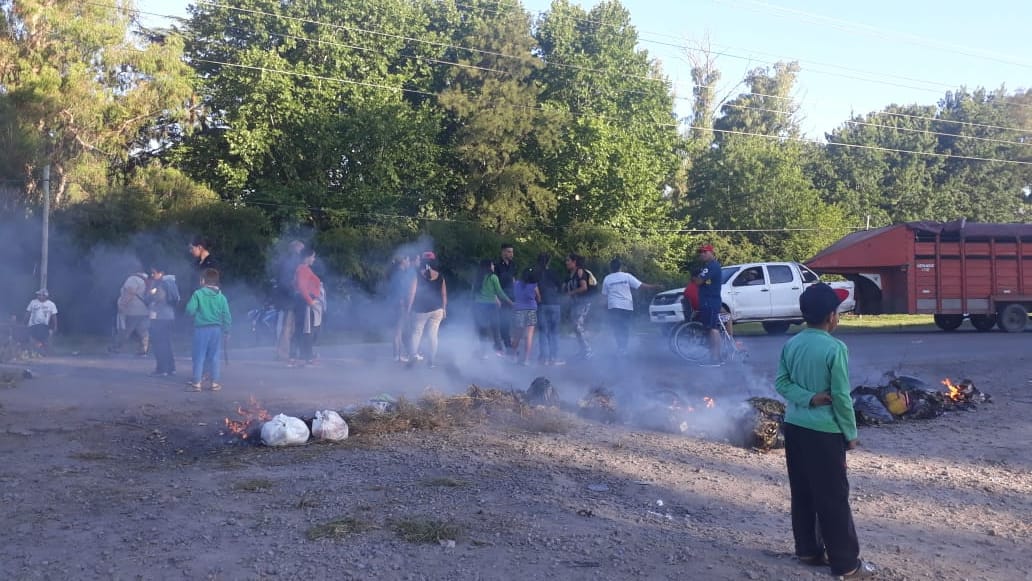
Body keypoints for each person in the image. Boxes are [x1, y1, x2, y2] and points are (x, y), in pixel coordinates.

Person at [775, 283, 876, 579]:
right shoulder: (835, 348)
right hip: (825, 432)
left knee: (803, 491)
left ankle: (807, 549)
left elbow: (781, 383)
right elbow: (842, 396)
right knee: (832, 496)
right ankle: (847, 565)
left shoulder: (791, 344)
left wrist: (806, 398)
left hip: (795, 428)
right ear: (831, 316)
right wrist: (851, 433)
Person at [185, 268, 232, 392]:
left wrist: (195, 313)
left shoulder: (198, 294)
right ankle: (214, 383)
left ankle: (197, 383)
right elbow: (226, 315)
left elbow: (190, 310)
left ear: (203, 281)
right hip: (216, 330)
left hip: (201, 329)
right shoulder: (221, 297)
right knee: (214, 356)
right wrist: (227, 330)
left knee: (199, 356)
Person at [601, 258, 659, 355]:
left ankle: (620, 347)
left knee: (617, 327)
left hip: (613, 306)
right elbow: (641, 285)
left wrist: (601, 307)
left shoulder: (607, 278)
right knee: (624, 326)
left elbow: (604, 295)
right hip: (626, 306)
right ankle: (623, 348)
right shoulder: (626, 276)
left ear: (610, 268)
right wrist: (654, 286)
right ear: (620, 267)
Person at [407, 251, 447, 368]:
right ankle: (431, 362)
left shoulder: (418, 275)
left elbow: (412, 293)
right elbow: (444, 294)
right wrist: (444, 309)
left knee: (416, 333)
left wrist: (409, 309)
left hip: (420, 310)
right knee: (433, 336)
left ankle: (413, 358)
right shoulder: (440, 276)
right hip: (437, 310)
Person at [473, 259, 511, 359]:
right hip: (491, 306)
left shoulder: (478, 278)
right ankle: (498, 350)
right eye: (492, 265)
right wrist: (510, 302)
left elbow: (473, 293)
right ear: (488, 267)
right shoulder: (493, 277)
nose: (493, 266)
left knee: (482, 329)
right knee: (495, 328)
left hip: (479, 306)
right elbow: (500, 292)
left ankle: (484, 352)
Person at [292, 247, 323, 367]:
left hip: (306, 302)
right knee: (306, 330)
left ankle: (306, 356)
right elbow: (301, 287)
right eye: (313, 256)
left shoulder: (304, 269)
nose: (314, 259)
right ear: (307, 257)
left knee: (308, 330)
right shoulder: (303, 269)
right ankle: (303, 357)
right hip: (305, 303)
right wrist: (310, 302)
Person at [147, 265, 180, 377]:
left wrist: (151, 295)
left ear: (161, 273)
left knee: (159, 343)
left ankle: (162, 369)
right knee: (166, 343)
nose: (152, 275)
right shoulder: (171, 282)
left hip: (160, 317)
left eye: (153, 272)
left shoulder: (161, 284)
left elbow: (158, 298)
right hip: (169, 316)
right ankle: (171, 368)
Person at [274, 239, 304, 362]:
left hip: (287, 298)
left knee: (289, 326)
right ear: (296, 248)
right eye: (301, 249)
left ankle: (287, 351)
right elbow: (286, 281)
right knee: (288, 326)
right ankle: (283, 353)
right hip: (290, 299)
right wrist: (295, 291)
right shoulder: (292, 261)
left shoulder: (286, 260)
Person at [111, 270, 151, 355]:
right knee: (143, 331)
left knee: (125, 330)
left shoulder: (133, 279)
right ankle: (143, 349)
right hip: (145, 310)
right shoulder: (146, 280)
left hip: (132, 310)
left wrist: (122, 305)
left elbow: (129, 292)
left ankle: (116, 347)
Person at [696, 244, 723, 366]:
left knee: (713, 329)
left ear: (711, 253)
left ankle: (715, 358)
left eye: (705, 252)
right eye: (701, 252)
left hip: (711, 301)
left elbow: (698, 281)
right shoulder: (709, 266)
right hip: (708, 301)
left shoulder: (712, 266)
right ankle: (714, 356)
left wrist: (695, 277)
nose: (702, 254)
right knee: (710, 328)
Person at [563, 253, 594, 360]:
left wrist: (570, 293)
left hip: (583, 303)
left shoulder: (579, 271)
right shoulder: (570, 274)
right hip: (575, 304)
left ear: (574, 262)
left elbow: (584, 287)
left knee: (577, 326)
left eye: (568, 260)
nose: (566, 262)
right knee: (575, 327)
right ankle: (583, 350)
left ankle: (588, 350)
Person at [535, 253, 564, 366]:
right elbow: (561, 286)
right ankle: (554, 358)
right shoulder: (553, 272)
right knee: (554, 332)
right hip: (554, 304)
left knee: (543, 331)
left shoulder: (535, 273)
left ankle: (543, 358)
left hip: (542, 304)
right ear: (548, 262)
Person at [388, 254, 416, 362]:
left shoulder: (396, 273)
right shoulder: (400, 274)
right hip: (400, 305)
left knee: (397, 331)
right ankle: (397, 356)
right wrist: (404, 304)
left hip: (396, 305)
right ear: (403, 261)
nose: (409, 262)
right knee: (398, 331)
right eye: (408, 260)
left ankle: (396, 356)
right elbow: (399, 291)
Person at [510, 267, 540, 366]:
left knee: (517, 334)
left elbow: (515, 295)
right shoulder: (534, 285)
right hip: (531, 309)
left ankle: (513, 356)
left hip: (519, 310)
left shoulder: (517, 284)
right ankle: (526, 359)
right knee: (529, 335)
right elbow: (538, 297)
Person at [494, 243, 516, 354]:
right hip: (500, 297)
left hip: (511, 297)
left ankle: (508, 346)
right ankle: (498, 347)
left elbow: (513, 279)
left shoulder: (512, 265)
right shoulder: (497, 265)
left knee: (507, 322)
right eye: (509, 251)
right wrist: (496, 297)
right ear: (503, 252)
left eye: (512, 251)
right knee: (500, 322)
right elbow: (492, 282)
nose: (511, 254)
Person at [25, 289, 58, 356]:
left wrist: (55, 326)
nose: (39, 296)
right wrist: (24, 322)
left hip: (44, 325)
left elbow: (54, 316)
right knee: (32, 339)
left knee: (45, 340)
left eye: (41, 295)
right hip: (33, 325)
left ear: (45, 296)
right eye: (38, 295)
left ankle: (46, 353)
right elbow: (28, 313)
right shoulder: (33, 302)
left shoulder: (51, 304)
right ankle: (34, 352)